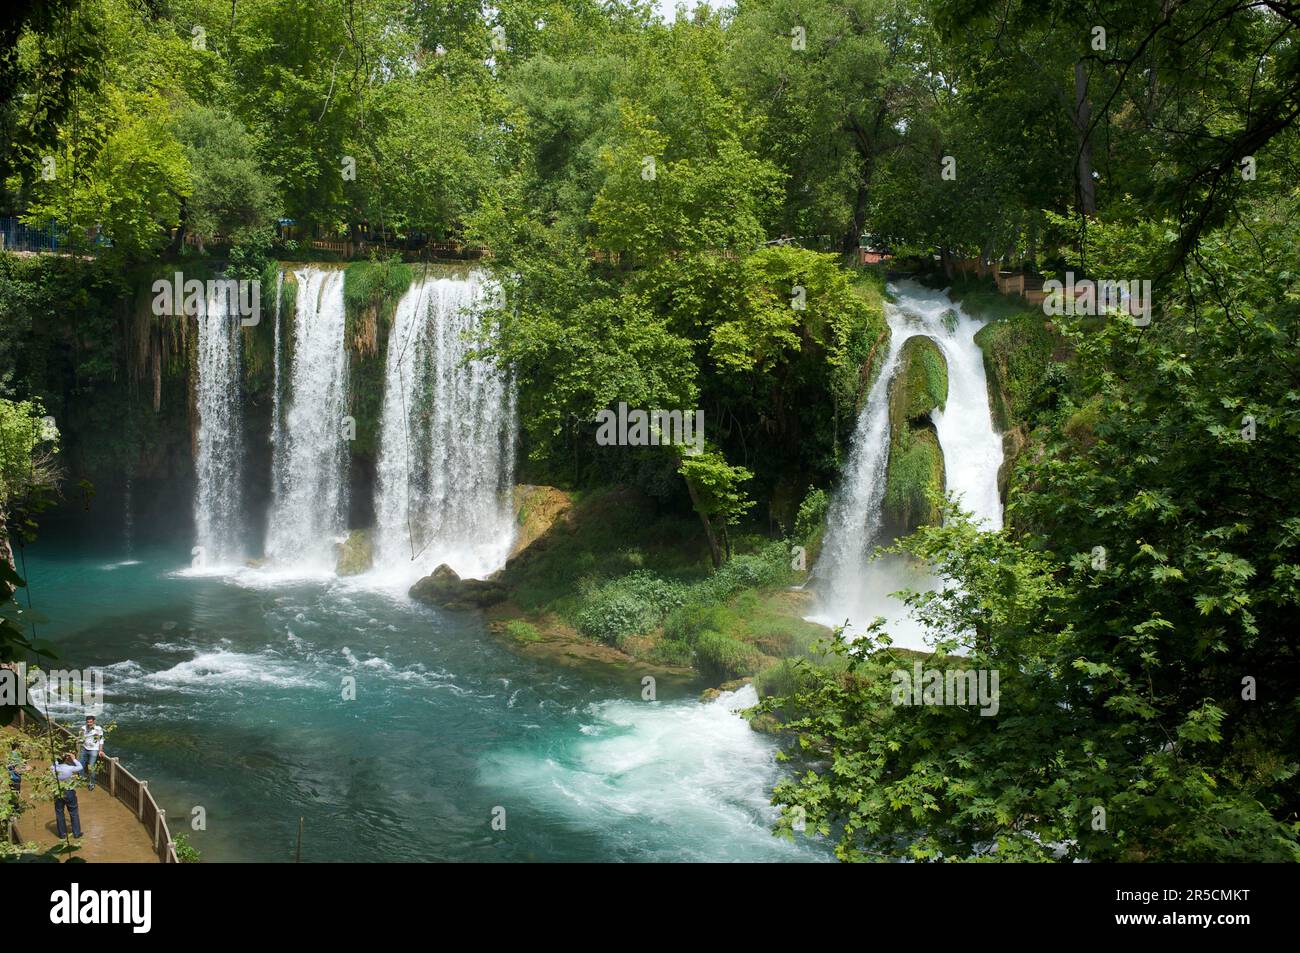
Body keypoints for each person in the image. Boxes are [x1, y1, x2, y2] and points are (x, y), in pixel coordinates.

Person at [51, 753, 83, 839]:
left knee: (59, 813)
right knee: (74, 812)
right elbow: (81, 767)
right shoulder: (70, 768)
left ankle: (62, 834)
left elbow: (54, 763)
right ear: (66, 759)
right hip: (69, 791)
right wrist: (73, 759)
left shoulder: (53, 768)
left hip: (57, 791)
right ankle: (76, 833)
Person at [77, 714, 105, 791]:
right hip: (84, 748)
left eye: (91, 722)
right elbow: (80, 739)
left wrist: (100, 750)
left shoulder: (98, 729)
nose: (89, 723)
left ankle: (91, 783)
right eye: (88, 722)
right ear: (86, 722)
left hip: (94, 749)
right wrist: (79, 748)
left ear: (94, 721)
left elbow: (101, 740)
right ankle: (82, 779)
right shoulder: (83, 728)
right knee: (80, 765)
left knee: (91, 768)